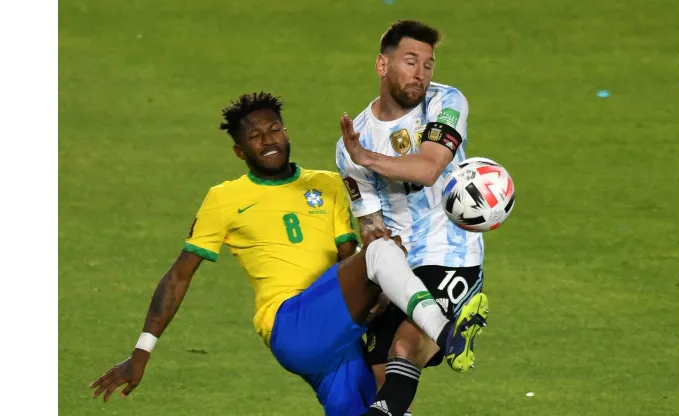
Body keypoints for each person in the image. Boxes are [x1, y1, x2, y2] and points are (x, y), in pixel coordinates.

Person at [89, 92, 488, 416]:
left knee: (390, 411)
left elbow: (347, 260)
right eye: (255, 136)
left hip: (339, 339)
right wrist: (141, 351)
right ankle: (447, 332)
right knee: (380, 251)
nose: (268, 140)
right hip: (291, 325)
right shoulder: (225, 199)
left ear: (286, 131)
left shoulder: (330, 185)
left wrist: (379, 296)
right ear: (239, 151)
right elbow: (179, 276)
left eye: (274, 129)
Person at [336, 20, 487, 416]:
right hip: (400, 266)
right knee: (381, 375)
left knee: (406, 346)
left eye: (428, 64)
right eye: (410, 61)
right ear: (382, 66)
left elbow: (429, 167)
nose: (420, 73)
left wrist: (368, 158)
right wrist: (382, 284)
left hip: (452, 254)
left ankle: (456, 327)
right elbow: (371, 225)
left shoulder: (446, 102)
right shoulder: (351, 143)